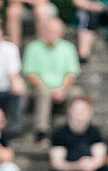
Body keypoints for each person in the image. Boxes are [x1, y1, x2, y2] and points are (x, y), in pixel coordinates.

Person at [22, 17, 80, 145]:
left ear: (60, 33)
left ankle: (73, 129)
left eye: (54, 31)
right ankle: (41, 132)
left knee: (77, 93)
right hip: (40, 88)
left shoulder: (68, 48)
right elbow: (30, 74)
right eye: (48, 30)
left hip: (63, 88)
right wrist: (46, 88)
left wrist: (62, 90)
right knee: (43, 93)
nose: (51, 34)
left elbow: (71, 73)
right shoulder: (33, 47)